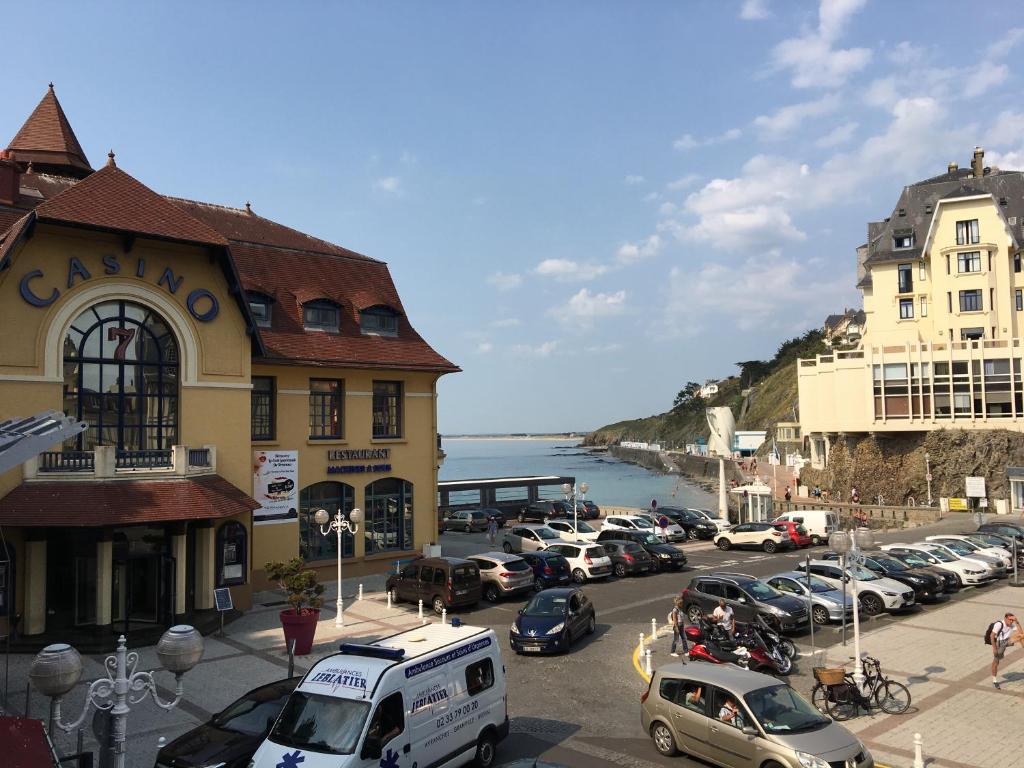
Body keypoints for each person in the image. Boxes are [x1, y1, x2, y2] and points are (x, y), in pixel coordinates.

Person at [990, 612, 1019, 689]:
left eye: (1012, 620)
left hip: (1007, 640)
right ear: (1005, 618)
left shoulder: (1011, 624)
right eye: (1010, 619)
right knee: (996, 661)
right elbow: (992, 636)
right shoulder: (999, 624)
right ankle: (994, 681)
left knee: (1021, 636)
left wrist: (1017, 621)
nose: (1011, 621)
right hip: (999, 643)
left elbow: (1021, 632)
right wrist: (994, 648)